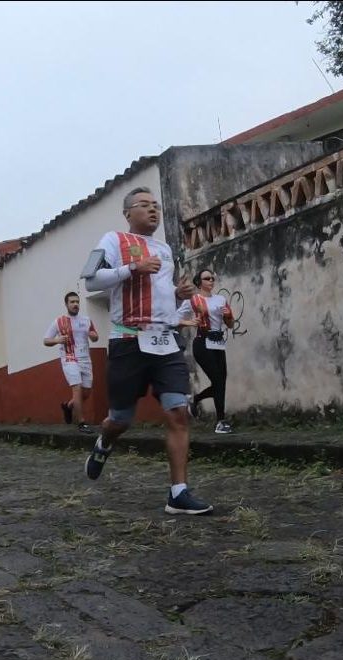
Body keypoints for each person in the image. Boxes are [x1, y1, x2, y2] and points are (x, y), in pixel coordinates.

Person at [82, 187, 212, 515]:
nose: (153, 210)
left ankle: (178, 493)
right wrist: (132, 268)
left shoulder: (164, 249)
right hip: (128, 340)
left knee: (178, 411)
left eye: (156, 205)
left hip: (165, 340)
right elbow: (91, 281)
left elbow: (161, 292)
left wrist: (180, 294)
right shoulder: (113, 240)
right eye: (144, 205)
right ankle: (104, 442)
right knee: (120, 419)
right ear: (128, 213)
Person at [178, 268, 234, 433]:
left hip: (218, 343)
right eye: (207, 278)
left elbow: (230, 324)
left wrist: (228, 316)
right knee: (217, 380)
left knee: (221, 382)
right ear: (199, 282)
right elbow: (175, 318)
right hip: (202, 343)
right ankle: (220, 421)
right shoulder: (194, 300)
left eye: (212, 278)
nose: (211, 281)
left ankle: (197, 399)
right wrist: (189, 323)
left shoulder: (221, 299)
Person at [44, 292, 98, 434]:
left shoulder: (86, 320)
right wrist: (57, 340)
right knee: (77, 388)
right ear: (66, 304)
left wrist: (93, 336)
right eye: (72, 302)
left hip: (85, 359)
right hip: (69, 358)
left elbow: (95, 336)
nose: (75, 304)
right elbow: (46, 340)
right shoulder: (59, 321)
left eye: (77, 302)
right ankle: (81, 423)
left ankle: (68, 407)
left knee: (86, 393)